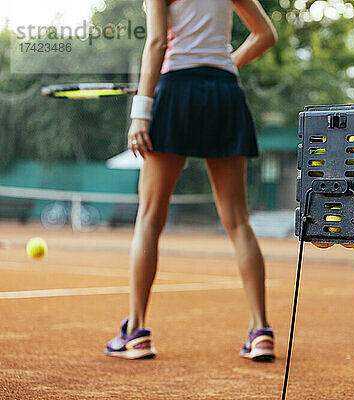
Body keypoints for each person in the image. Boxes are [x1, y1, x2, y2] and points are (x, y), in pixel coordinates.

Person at [105, 0, 277, 361]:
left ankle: (135, 332)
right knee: (239, 221)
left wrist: (141, 112)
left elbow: (156, 44)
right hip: (224, 92)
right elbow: (265, 36)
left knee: (150, 217)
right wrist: (228, 64)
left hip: (176, 90)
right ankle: (260, 331)